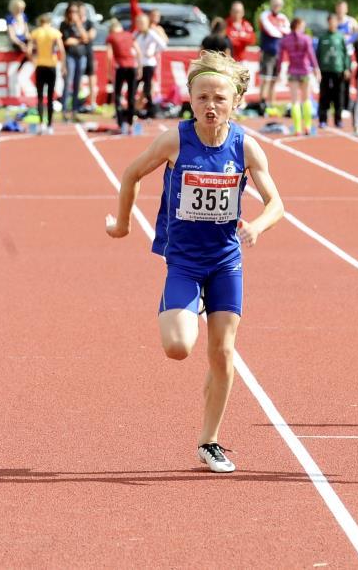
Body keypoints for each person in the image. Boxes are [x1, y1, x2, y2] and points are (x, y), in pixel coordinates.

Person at [105, 50, 284, 473]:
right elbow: (131, 174)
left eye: (219, 98)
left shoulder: (246, 145)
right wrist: (124, 225)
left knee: (222, 353)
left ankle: (210, 441)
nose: (210, 105)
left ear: (235, 102)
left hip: (225, 261)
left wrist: (257, 225)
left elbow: (277, 203)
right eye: (202, 96)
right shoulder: (175, 140)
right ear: (190, 99)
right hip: (183, 261)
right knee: (178, 347)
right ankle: (177, 303)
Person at [276, 17, 319, 135]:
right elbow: (311, 55)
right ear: (299, 26)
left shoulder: (285, 40)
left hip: (293, 71)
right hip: (304, 71)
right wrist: (316, 69)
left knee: (294, 101)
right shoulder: (306, 38)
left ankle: (297, 128)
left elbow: (279, 57)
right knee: (306, 99)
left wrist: (279, 71)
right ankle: (308, 127)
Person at [105, 19, 142, 134]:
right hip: (132, 67)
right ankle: (130, 123)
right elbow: (138, 52)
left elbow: (109, 56)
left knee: (117, 95)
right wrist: (139, 67)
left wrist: (109, 71)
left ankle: (121, 123)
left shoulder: (111, 37)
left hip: (120, 67)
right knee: (131, 96)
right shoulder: (129, 35)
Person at [30, 13, 64, 134]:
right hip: (51, 65)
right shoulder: (54, 32)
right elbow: (61, 49)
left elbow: (30, 50)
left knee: (39, 96)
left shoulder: (36, 32)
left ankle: (40, 124)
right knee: (50, 96)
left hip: (40, 65)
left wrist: (33, 61)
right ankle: (50, 125)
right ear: (49, 22)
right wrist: (63, 64)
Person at [316, 13, 350, 128]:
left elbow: (345, 54)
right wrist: (317, 69)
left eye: (334, 22)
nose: (332, 24)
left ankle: (338, 119)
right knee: (324, 96)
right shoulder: (322, 37)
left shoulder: (340, 37)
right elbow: (318, 54)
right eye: (330, 22)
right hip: (325, 71)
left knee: (338, 96)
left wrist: (346, 68)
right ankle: (322, 119)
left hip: (338, 70)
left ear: (337, 23)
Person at [258, 0, 290, 113]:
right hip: (268, 52)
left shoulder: (283, 17)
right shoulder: (265, 15)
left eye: (279, 4)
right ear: (271, 4)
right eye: (275, 4)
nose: (277, 6)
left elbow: (288, 31)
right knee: (266, 79)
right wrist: (280, 30)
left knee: (274, 80)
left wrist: (279, 30)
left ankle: (272, 104)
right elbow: (271, 31)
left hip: (279, 53)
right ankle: (262, 103)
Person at [60, 1, 90, 122]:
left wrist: (78, 25)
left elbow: (86, 38)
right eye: (71, 12)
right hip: (70, 56)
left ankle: (74, 111)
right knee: (68, 83)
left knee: (78, 84)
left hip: (81, 56)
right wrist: (79, 40)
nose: (73, 14)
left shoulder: (81, 24)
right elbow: (67, 41)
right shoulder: (64, 25)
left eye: (75, 12)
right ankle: (65, 111)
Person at [134, 13, 167, 119]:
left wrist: (153, 52)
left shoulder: (151, 33)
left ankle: (151, 110)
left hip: (148, 64)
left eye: (142, 22)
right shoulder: (136, 34)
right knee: (134, 86)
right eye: (138, 22)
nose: (140, 25)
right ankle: (133, 109)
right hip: (138, 64)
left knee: (147, 88)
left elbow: (163, 45)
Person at [5, 0, 31, 98]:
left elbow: (27, 32)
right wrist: (20, 44)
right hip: (16, 44)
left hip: (24, 42)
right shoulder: (10, 18)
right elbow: (12, 36)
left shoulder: (23, 17)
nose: (21, 11)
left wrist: (30, 42)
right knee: (13, 72)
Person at [79, 4, 98, 112]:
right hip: (77, 53)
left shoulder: (90, 23)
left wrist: (82, 35)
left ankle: (92, 102)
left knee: (92, 76)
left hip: (88, 51)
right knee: (76, 77)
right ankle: (77, 101)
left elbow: (89, 36)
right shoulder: (73, 23)